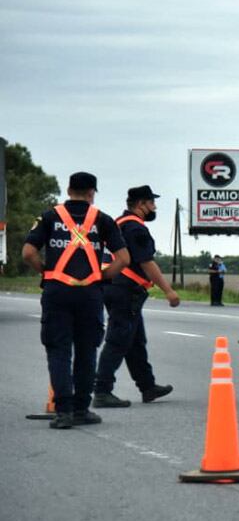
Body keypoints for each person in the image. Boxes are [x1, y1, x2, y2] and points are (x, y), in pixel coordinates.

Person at [21, 172, 130, 429]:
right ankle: (82, 409)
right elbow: (123, 259)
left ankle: (63, 412)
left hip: (57, 291)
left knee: (58, 350)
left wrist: (47, 272)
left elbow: (28, 253)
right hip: (90, 294)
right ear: (92, 193)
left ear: (68, 190)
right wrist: (101, 277)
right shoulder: (102, 220)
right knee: (86, 350)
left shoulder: (49, 217)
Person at [93, 185, 179, 408]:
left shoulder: (118, 223)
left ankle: (147, 386)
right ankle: (102, 390)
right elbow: (146, 262)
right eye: (151, 203)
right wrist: (168, 291)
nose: (154, 207)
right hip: (125, 289)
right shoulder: (135, 228)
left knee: (135, 340)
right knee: (118, 339)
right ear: (141, 204)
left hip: (114, 286)